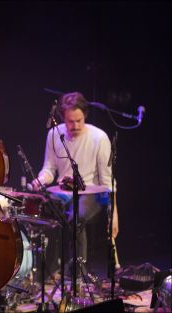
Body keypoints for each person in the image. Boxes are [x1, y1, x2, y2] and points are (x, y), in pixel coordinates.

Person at [31, 91, 119, 275]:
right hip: (63, 192)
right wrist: (40, 180)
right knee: (43, 213)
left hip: (93, 194)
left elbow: (107, 181)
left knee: (76, 217)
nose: (75, 125)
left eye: (79, 120)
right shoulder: (54, 134)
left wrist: (114, 213)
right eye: (70, 121)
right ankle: (47, 271)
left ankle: (79, 275)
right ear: (63, 118)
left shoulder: (99, 138)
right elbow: (49, 169)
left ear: (84, 116)